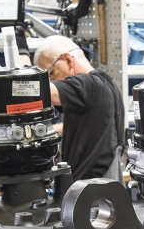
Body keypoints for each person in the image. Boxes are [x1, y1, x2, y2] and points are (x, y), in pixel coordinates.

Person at [34, 35, 126, 181]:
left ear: (68, 59)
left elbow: (45, 92)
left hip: (90, 192)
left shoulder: (88, 84)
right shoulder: (104, 84)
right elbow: (88, 127)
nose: (52, 81)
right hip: (101, 186)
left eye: (50, 74)